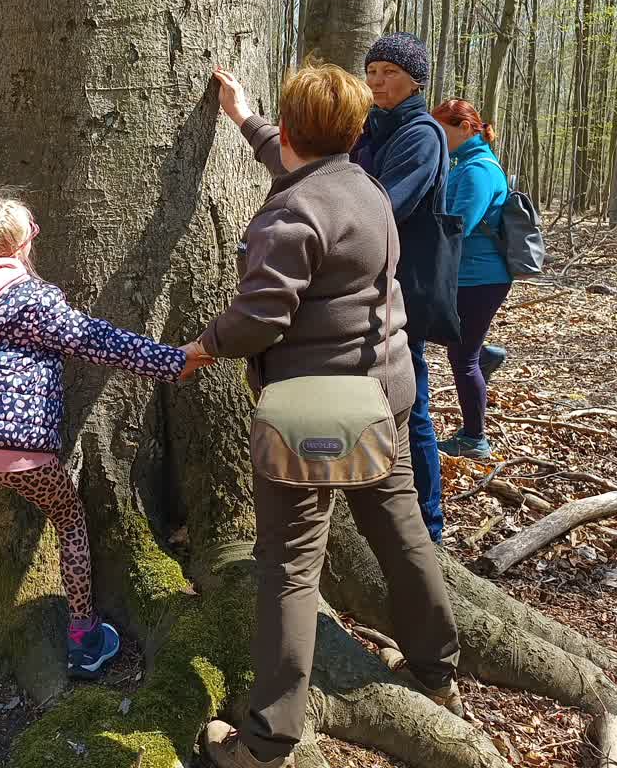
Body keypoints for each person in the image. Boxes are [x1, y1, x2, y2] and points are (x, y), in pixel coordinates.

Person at [197, 63, 461, 768]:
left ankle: (269, 739)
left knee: (287, 566)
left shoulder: (290, 214)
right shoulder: (365, 185)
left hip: (313, 408)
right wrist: (241, 115)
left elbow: (258, 320)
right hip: (384, 394)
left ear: (292, 131)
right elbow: (299, 168)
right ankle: (437, 672)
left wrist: (203, 345)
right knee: (400, 529)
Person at [0, 192, 210, 746]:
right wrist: (172, 361)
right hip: (25, 453)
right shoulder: (33, 298)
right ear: (20, 245)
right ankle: (85, 636)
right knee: (69, 520)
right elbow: (96, 340)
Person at [351, 32, 450, 543]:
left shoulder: (421, 135)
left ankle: (428, 529)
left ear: (416, 80)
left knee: (410, 405)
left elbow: (386, 206)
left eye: (388, 73)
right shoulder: (367, 130)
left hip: (404, 290)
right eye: (371, 72)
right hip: (367, 287)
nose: (376, 82)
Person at [432, 99, 512, 460]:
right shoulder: (464, 163)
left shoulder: (479, 168)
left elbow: (459, 224)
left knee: (461, 359)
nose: (438, 136)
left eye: (443, 129)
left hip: (480, 277)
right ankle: (485, 356)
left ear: (465, 128)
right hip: (469, 275)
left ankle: (474, 438)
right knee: (460, 348)